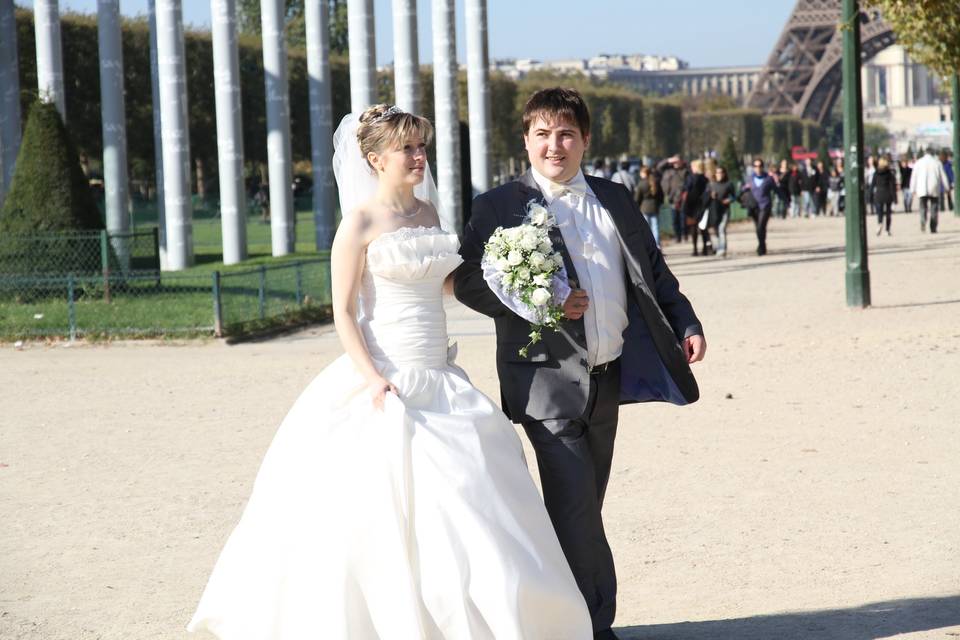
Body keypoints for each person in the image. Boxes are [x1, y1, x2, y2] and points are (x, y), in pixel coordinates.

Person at [188, 104, 593, 638]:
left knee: (468, 501)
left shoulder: (429, 214)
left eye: (421, 145)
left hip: (441, 377)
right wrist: (373, 377)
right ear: (375, 159)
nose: (419, 155)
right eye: (408, 147)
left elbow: (447, 283)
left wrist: (521, 283)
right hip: (386, 376)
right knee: (373, 516)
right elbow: (342, 310)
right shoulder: (358, 221)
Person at [454, 87, 706, 640]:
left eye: (566, 133)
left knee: (586, 505)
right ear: (525, 140)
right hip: (545, 382)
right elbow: (468, 282)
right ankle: (595, 626)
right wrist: (542, 299)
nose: (554, 145)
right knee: (575, 510)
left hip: (607, 376)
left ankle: (554, 618)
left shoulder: (616, 199)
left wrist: (685, 321)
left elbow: (655, 273)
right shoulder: (496, 206)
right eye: (542, 134)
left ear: (585, 140)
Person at [909, 146, 949, 233]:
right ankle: (933, 226)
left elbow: (914, 177)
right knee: (934, 208)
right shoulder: (937, 162)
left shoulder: (919, 162)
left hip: (922, 188)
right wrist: (947, 187)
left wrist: (912, 189)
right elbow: (943, 176)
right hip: (934, 187)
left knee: (923, 207)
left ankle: (923, 220)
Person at [741, 158, 776, 256]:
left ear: (762, 167)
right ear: (753, 168)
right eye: (756, 166)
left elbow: (776, 189)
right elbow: (742, 188)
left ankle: (761, 246)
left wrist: (786, 200)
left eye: (760, 166)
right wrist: (745, 188)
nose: (758, 168)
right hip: (753, 206)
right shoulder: (749, 178)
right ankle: (762, 244)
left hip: (765, 205)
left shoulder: (768, 178)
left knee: (761, 225)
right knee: (758, 227)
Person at [682, 159, 710, 256]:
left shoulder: (691, 178)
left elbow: (686, 188)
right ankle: (705, 248)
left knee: (693, 228)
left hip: (691, 205)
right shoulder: (705, 178)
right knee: (703, 227)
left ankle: (695, 249)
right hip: (702, 204)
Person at [658, 155, 689, 244]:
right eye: (674, 162)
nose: (676, 163)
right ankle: (677, 236)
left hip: (682, 198)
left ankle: (684, 235)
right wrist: (668, 159)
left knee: (683, 219)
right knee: (675, 219)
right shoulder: (668, 171)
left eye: (677, 161)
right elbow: (659, 167)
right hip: (672, 199)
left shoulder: (685, 170)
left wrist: (683, 163)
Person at [707, 165, 735, 257]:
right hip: (714, 211)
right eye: (718, 172)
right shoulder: (711, 184)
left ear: (724, 174)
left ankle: (722, 249)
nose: (719, 174)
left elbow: (734, 196)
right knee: (714, 230)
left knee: (721, 229)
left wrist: (729, 200)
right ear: (715, 174)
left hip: (725, 210)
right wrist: (711, 195)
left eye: (721, 172)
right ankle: (717, 247)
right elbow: (705, 196)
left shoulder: (729, 184)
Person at [635, 164, 663, 247]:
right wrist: (659, 203)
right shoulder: (655, 182)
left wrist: (637, 207)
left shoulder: (641, 184)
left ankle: (650, 245)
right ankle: (657, 245)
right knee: (656, 227)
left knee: (647, 228)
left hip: (644, 207)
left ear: (643, 173)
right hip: (655, 206)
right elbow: (661, 195)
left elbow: (637, 198)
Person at [872, 156, 896, 236]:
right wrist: (895, 198)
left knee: (880, 212)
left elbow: (872, 185)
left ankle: (880, 223)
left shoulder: (876, 173)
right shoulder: (889, 173)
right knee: (888, 213)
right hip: (887, 193)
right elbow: (892, 186)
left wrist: (869, 196)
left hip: (879, 194)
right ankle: (887, 229)